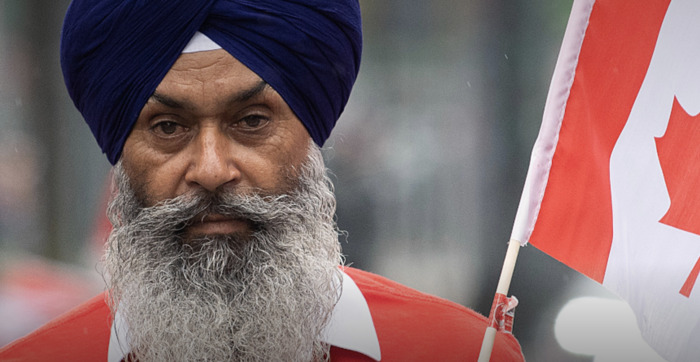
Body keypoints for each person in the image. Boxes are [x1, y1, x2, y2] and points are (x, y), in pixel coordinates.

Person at [0, 1, 524, 361]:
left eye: (251, 121)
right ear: (120, 153)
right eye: (167, 127)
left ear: (312, 132)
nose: (210, 169)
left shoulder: (459, 352)